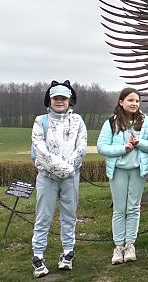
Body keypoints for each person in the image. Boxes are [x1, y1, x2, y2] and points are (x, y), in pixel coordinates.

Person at [31, 81, 87, 278]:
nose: (60, 101)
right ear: (50, 100)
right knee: (43, 217)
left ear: (70, 99)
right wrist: (59, 168)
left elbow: (81, 148)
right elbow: (40, 149)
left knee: (69, 216)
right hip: (47, 177)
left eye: (63, 98)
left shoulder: (78, 121)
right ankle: (38, 256)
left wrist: (68, 168)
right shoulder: (41, 121)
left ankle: (68, 253)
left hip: (71, 177)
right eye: (56, 98)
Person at [97, 88, 148, 265]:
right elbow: (102, 147)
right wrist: (123, 149)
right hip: (118, 171)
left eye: (137, 101)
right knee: (119, 209)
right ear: (121, 102)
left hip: (138, 171)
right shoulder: (111, 123)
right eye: (130, 100)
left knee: (133, 208)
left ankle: (130, 244)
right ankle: (118, 246)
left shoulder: (146, 122)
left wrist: (139, 143)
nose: (134, 104)